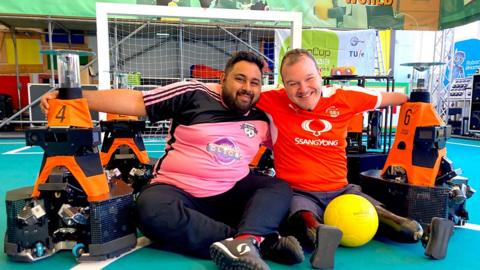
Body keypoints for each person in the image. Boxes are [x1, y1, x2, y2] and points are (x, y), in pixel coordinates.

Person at [40, 51, 304, 270]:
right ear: (224, 79)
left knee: (277, 187)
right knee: (149, 209)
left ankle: (246, 240)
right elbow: (137, 102)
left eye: (255, 82)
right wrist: (72, 97)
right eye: (240, 79)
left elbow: (296, 141)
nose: (247, 88)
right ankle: (254, 241)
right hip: (178, 191)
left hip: (230, 192)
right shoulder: (193, 93)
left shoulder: (262, 116)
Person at [255, 49, 430, 268]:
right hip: (298, 192)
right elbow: (231, 91)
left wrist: (416, 100)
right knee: (301, 217)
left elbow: (392, 98)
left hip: (342, 191)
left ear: (320, 74)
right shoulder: (271, 98)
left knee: (385, 218)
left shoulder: (344, 97)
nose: (303, 89)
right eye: (293, 83)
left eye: (309, 78)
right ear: (284, 84)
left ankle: (416, 230)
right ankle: (420, 232)